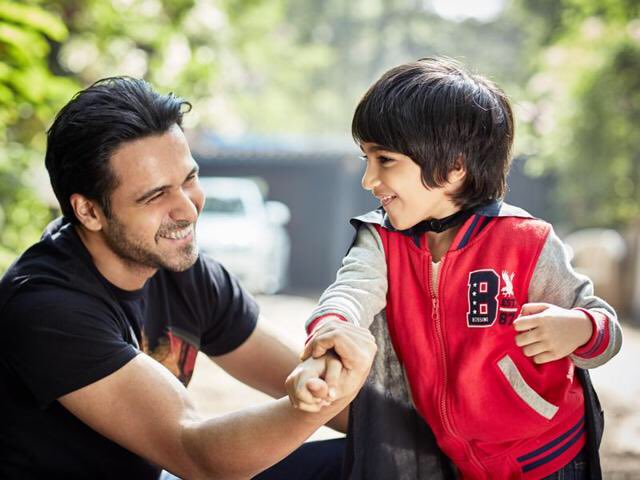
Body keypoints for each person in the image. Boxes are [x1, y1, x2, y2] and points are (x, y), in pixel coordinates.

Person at [0, 76, 377, 479]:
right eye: (155, 195)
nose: (187, 208)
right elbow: (196, 455)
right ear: (89, 211)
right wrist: (315, 403)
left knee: (372, 457)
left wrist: (420, 428)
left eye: (189, 180)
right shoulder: (45, 307)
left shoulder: (182, 273)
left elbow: (303, 377)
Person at [288, 57, 622, 479]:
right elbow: (349, 294)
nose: (367, 179)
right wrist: (327, 337)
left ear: (454, 167)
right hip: (456, 462)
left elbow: (606, 328)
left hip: (550, 460)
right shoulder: (381, 239)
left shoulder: (526, 240)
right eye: (366, 158)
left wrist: (580, 328)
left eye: (384, 159)